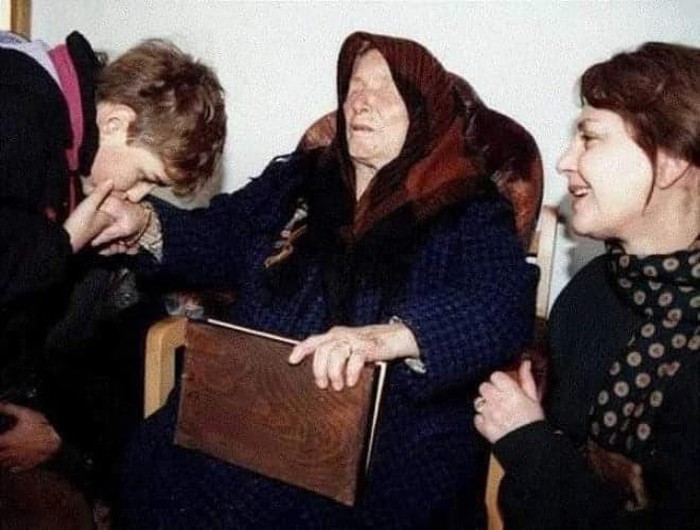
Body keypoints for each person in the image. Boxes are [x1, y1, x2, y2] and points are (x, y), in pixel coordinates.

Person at [106, 31, 537, 529]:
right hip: (257, 403)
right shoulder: (299, 180)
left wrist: (389, 338)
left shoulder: (469, 209)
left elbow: (500, 304)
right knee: (158, 460)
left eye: (385, 88)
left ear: (423, 111)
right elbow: (222, 234)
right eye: (354, 87)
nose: (361, 101)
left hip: (385, 434)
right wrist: (144, 223)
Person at [474, 42, 700, 529]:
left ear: (671, 160)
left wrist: (528, 443)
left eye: (590, 138)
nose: (563, 161)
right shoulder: (591, 291)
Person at [0, 29, 226, 509]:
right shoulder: (19, 108)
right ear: (117, 121)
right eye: (144, 177)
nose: (137, 196)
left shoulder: (54, 112)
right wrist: (65, 242)